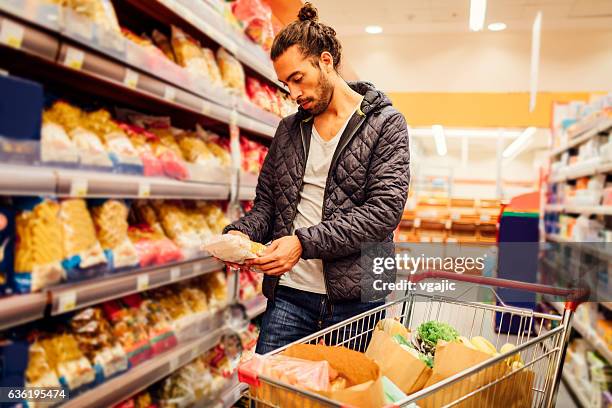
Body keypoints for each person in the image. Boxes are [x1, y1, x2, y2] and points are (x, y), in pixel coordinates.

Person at [223, 2, 410, 354]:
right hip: (292, 293)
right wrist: (240, 235)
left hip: (360, 294)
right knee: (272, 390)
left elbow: (383, 213)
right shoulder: (288, 129)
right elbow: (267, 204)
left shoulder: (386, 123)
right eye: (285, 84)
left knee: (345, 394)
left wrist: (302, 243)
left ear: (325, 61)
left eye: (298, 79)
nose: (293, 94)